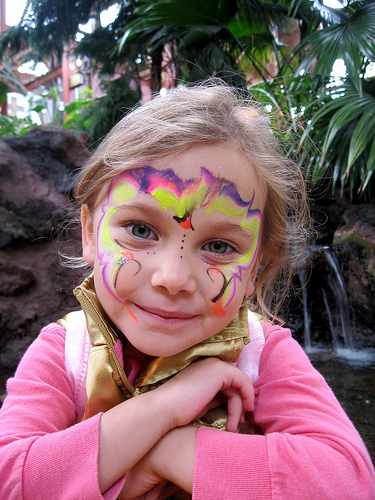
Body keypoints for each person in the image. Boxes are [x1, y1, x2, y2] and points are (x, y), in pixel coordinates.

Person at [0, 82, 374, 500]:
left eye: (218, 246)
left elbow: (348, 482)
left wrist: (167, 452)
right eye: (140, 230)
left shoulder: (260, 355)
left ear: (257, 267)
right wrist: (163, 408)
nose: (173, 277)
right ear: (89, 232)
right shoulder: (65, 353)